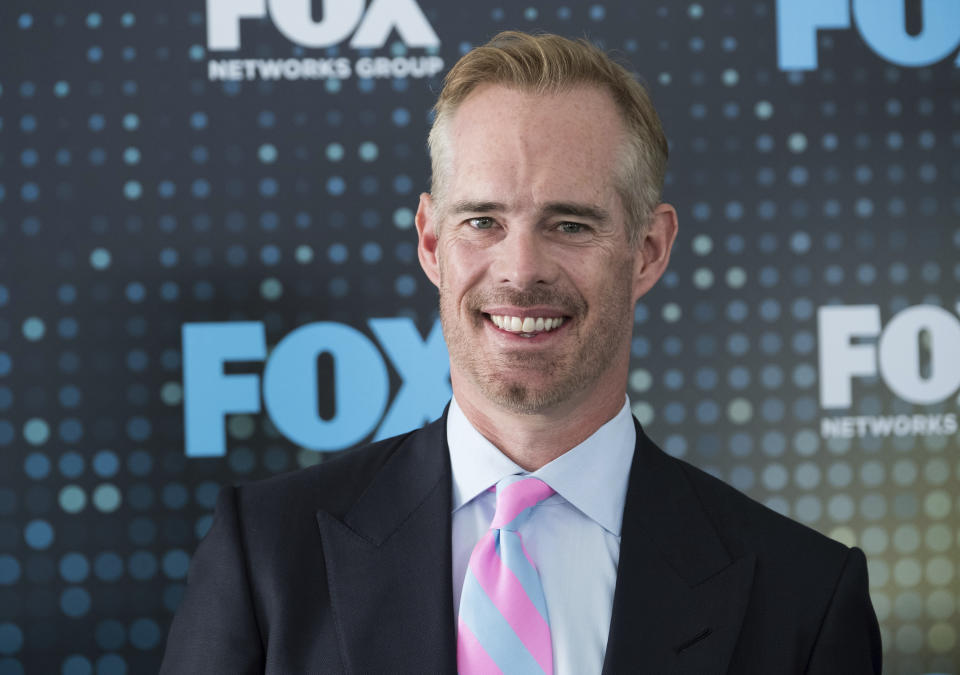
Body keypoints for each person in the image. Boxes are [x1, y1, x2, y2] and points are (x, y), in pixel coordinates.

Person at [160, 31, 881, 674]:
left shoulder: (805, 598)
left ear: (649, 250)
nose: (520, 269)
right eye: (482, 220)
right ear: (432, 242)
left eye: (569, 224)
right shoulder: (267, 560)